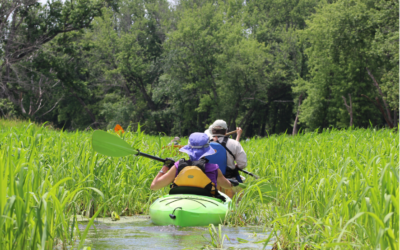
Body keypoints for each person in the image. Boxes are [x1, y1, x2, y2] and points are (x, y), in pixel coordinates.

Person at [150, 132, 236, 198]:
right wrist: (231, 183)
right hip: (207, 202)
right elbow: (227, 185)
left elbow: (154, 186)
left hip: (180, 202)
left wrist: (165, 166)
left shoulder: (177, 166)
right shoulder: (214, 168)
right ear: (206, 151)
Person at [205, 120, 247, 198]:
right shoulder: (234, 144)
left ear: (212, 131)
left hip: (207, 180)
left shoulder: (204, 144)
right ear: (226, 131)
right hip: (228, 180)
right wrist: (235, 166)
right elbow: (242, 164)